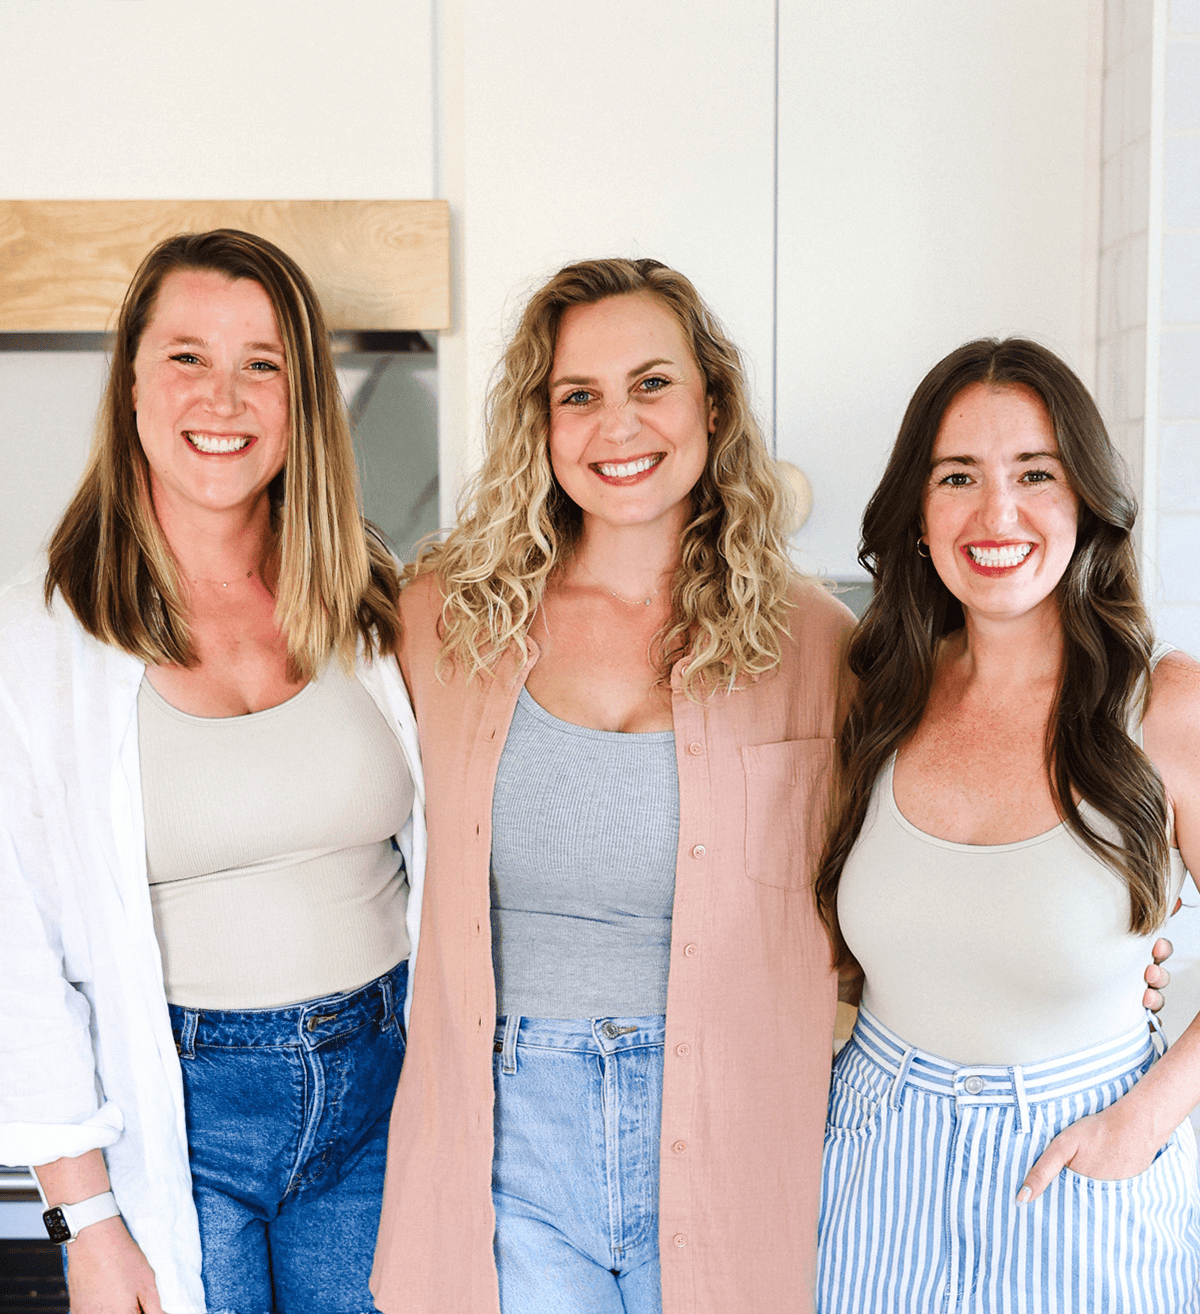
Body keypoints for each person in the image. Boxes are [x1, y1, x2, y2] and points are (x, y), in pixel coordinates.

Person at [366, 257, 855, 1314]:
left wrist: (1118, 948)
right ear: (539, 425)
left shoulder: (820, 643)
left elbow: (909, 861)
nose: (616, 426)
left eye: (651, 385)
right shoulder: (442, 621)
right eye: (576, 396)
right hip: (507, 1144)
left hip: (732, 1129)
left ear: (711, 405)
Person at [0, 229, 426, 1314]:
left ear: (303, 400)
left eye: (264, 363)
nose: (224, 397)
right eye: (187, 355)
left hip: (387, 1093)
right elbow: (15, 955)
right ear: (131, 383)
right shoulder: (37, 641)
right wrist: (87, 1222)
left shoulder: (371, 597)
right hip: (181, 1117)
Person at [814, 338, 1200, 1312]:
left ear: (1088, 500)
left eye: (1036, 473)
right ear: (918, 515)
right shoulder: (872, 695)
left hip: (1083, 1163)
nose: (998, 514)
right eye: (958, 477)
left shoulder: (1167, 707)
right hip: (875, 1162)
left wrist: (1148, 1120)